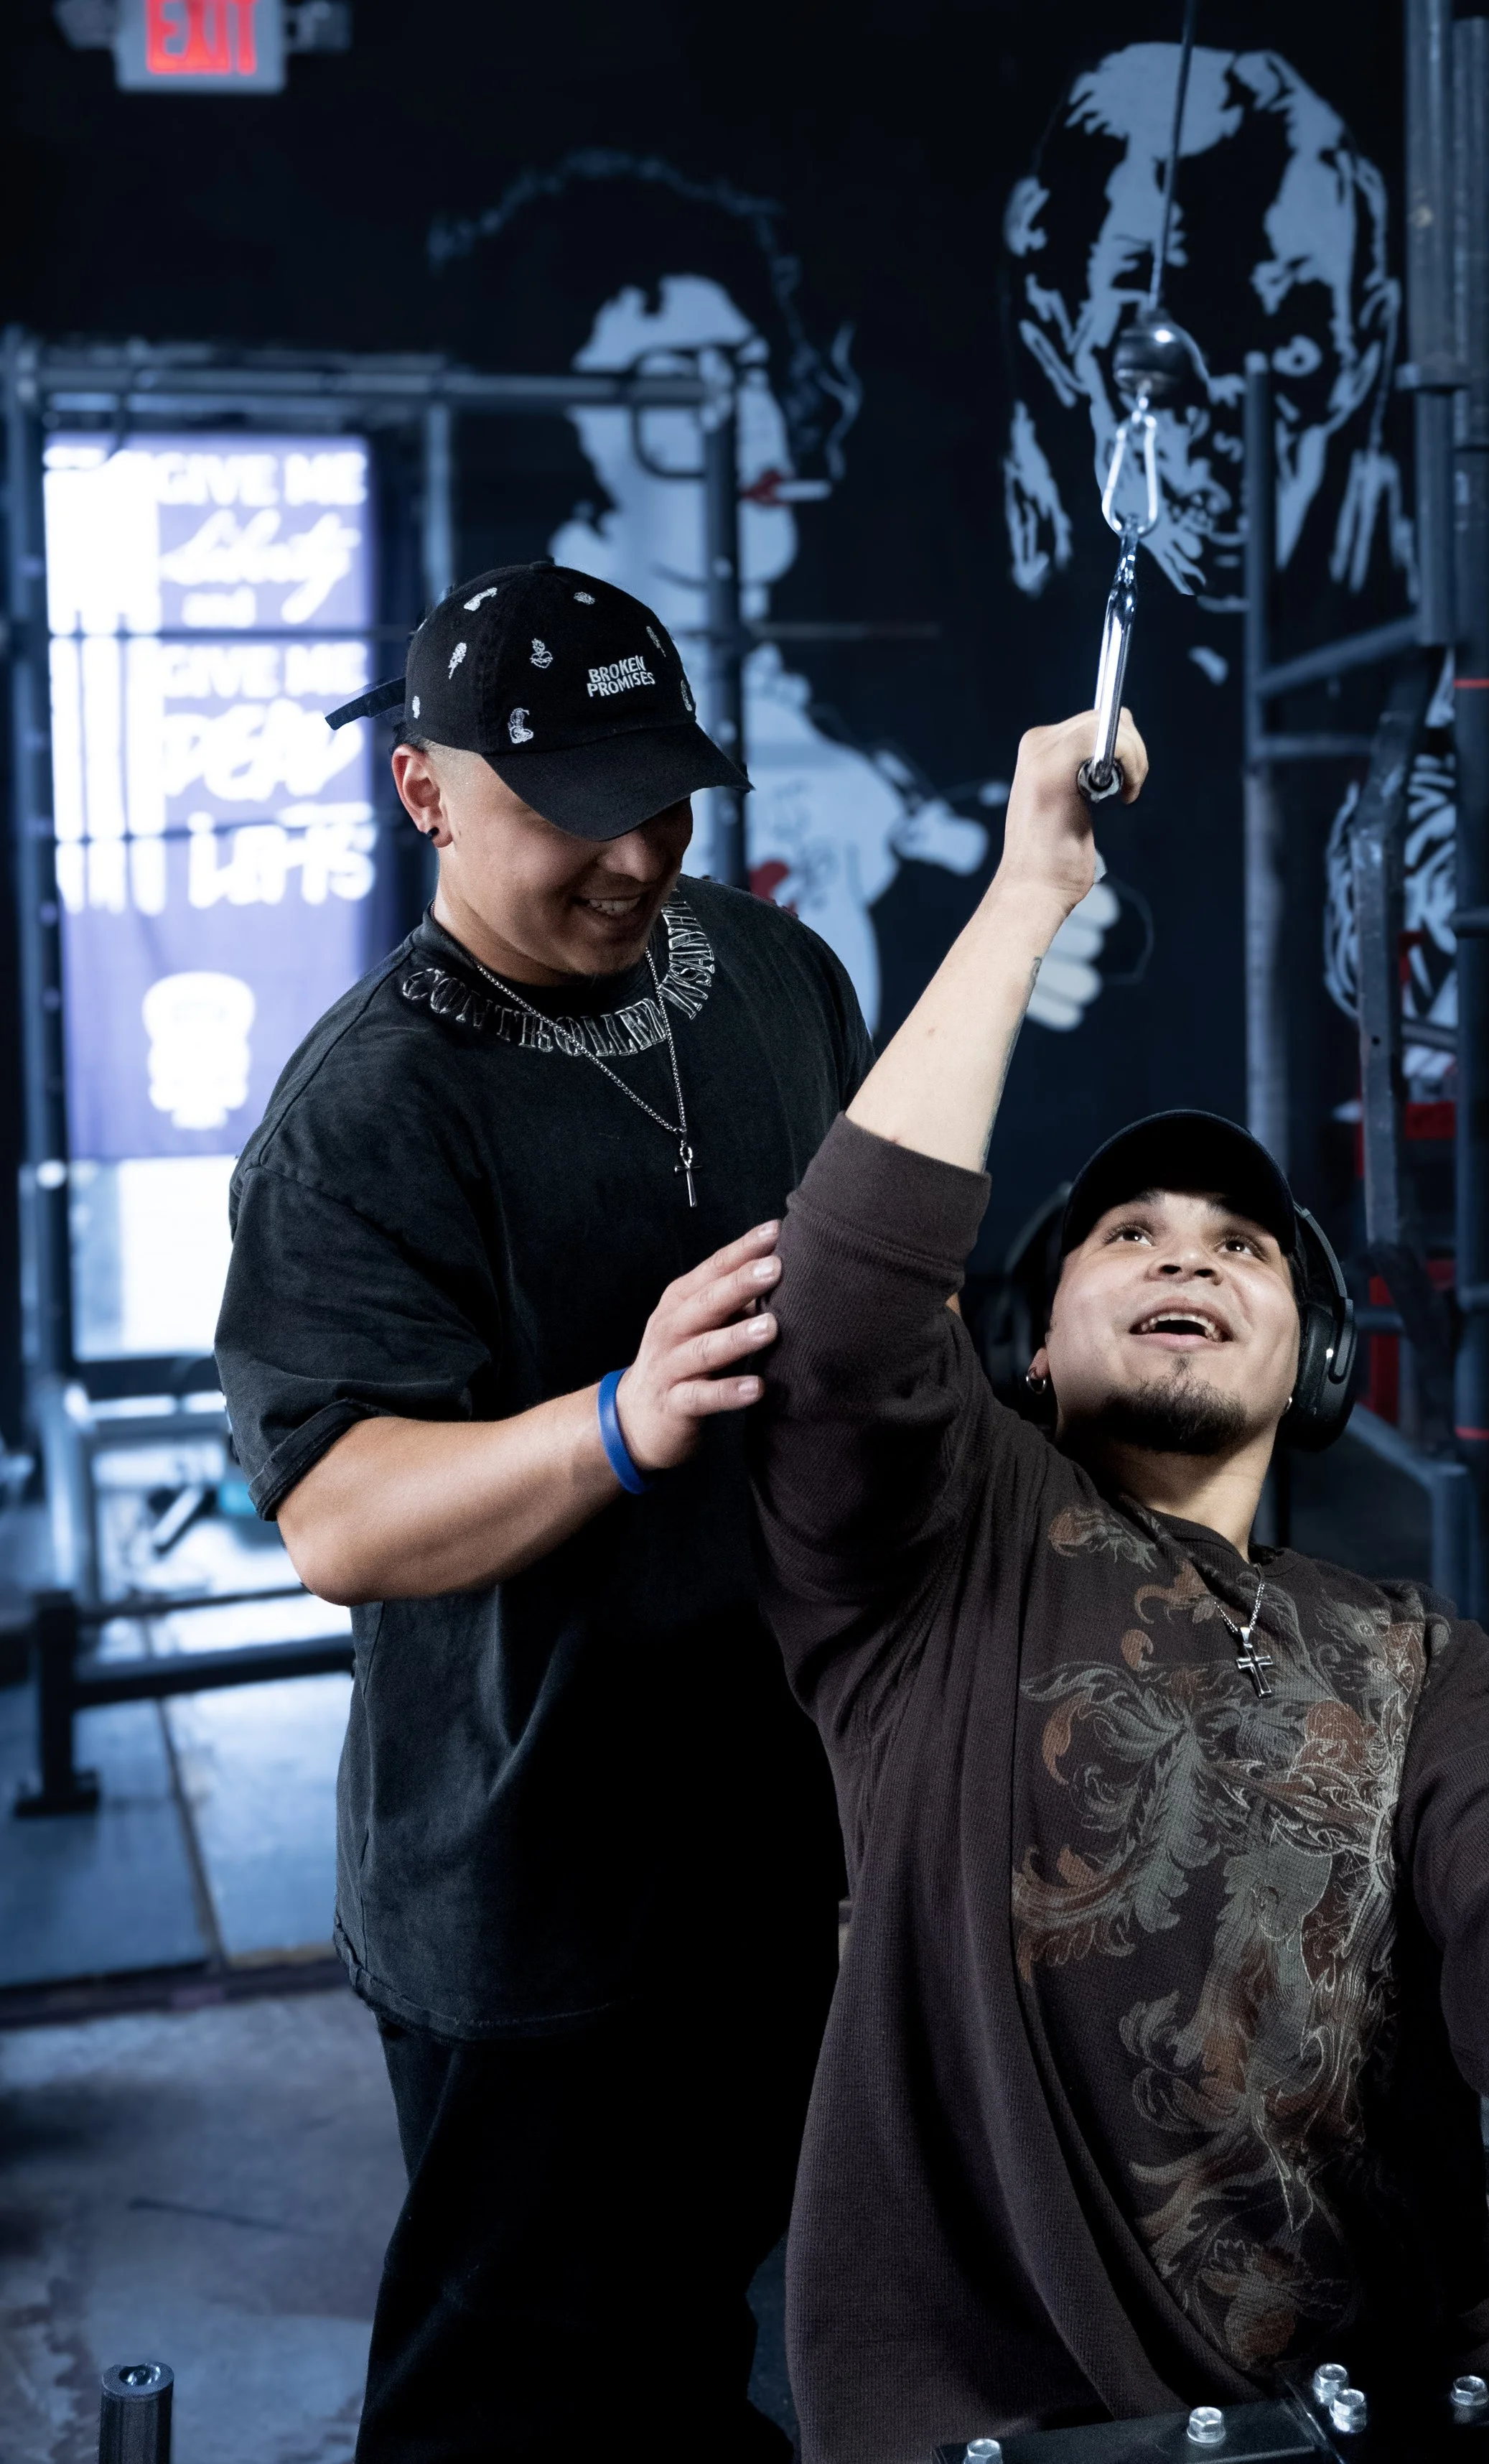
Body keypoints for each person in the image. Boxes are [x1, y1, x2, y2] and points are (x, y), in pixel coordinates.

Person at [747, 707, 1489, 2462]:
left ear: (1309, 1360)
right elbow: (844, 1312)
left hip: (1389, 2410)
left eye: (1241, 1248)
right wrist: (1025, 893)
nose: (1189, 1258)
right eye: (1129, 1235)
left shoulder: (1413, 1654)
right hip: (1028, 2431)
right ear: (1028, 1341)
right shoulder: (940, 1553)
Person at [212, 560, 872, 2461]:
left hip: (771, 1833)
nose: (638, 854)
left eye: (666, 797)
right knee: (506, 2416)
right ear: (424, 794)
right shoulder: (372, 1110)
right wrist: (618, 1416)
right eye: (573, 813)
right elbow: (340, 1512)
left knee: (717, 2352)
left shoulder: (768, 971)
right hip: (529, 1887)